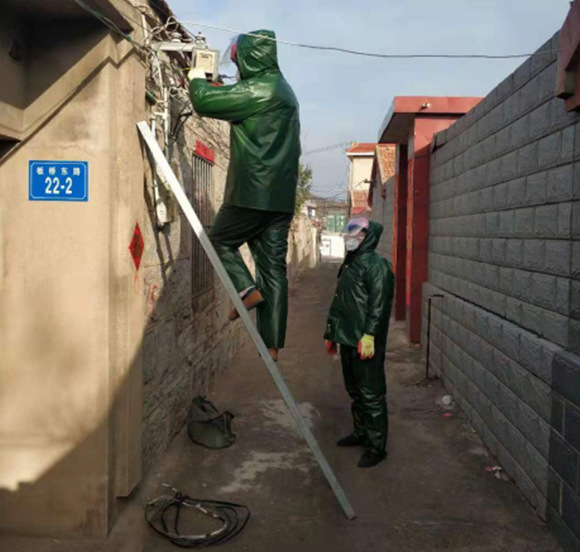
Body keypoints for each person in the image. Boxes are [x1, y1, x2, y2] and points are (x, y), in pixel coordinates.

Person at [188, 30, 300, 362]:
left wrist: (196, 79)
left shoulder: (259, 88)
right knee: (273, 269)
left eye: (237, 62)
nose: (236, 68)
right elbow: (235, 98)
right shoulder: (284, 91)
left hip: (251, 191)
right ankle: (272, 343)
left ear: (249, 58)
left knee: (219, 241)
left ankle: (246, 291)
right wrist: (222, 89)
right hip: (280, 200)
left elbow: (203, 102)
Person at [324, 217, 395, 468]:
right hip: (347, 338)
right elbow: (340, 302)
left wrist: (369, 335)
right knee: (355, 391)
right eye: (349, 233)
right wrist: (332, 334)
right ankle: (361, 432)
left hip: (365, 341)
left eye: (357, 234)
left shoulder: (378, 266)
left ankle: (376, 447)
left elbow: (379, 306)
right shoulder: (350, 263)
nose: (350, 238)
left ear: (369, 237)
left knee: (371, 394)